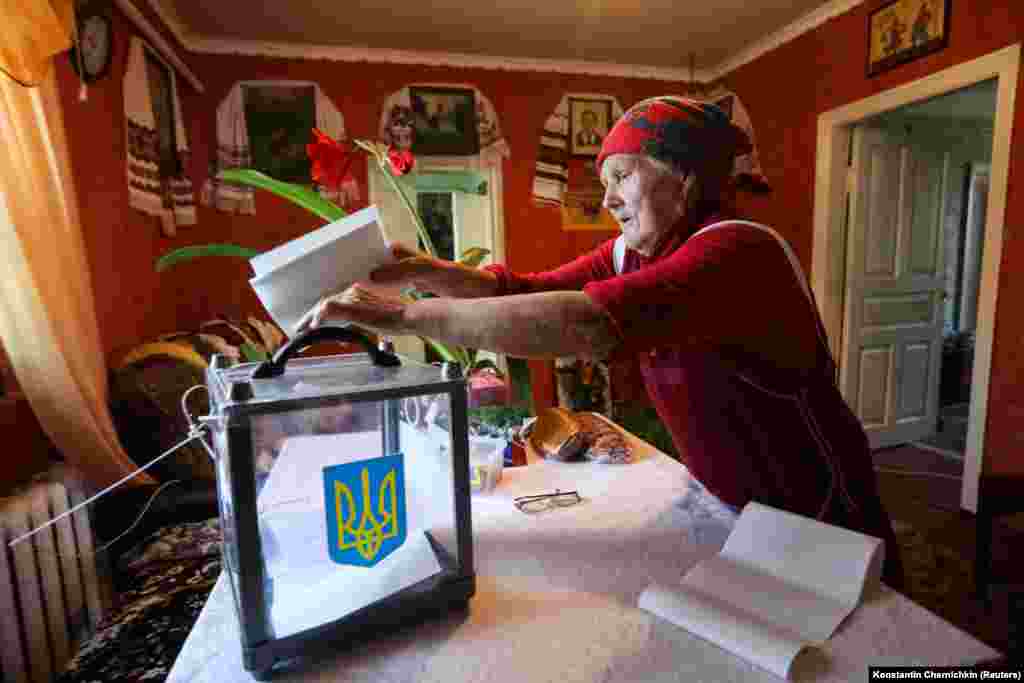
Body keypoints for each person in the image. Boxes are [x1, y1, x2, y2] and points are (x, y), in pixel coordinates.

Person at [297, 96, 905, 589]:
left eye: (621, 176)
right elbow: (520, 289)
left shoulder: (737, 251)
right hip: (740, 508)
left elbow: (587, 322)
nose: (608, 198)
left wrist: (406, 319)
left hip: (819, 514)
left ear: (687, 177)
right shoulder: (631, 252)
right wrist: (418, 269)